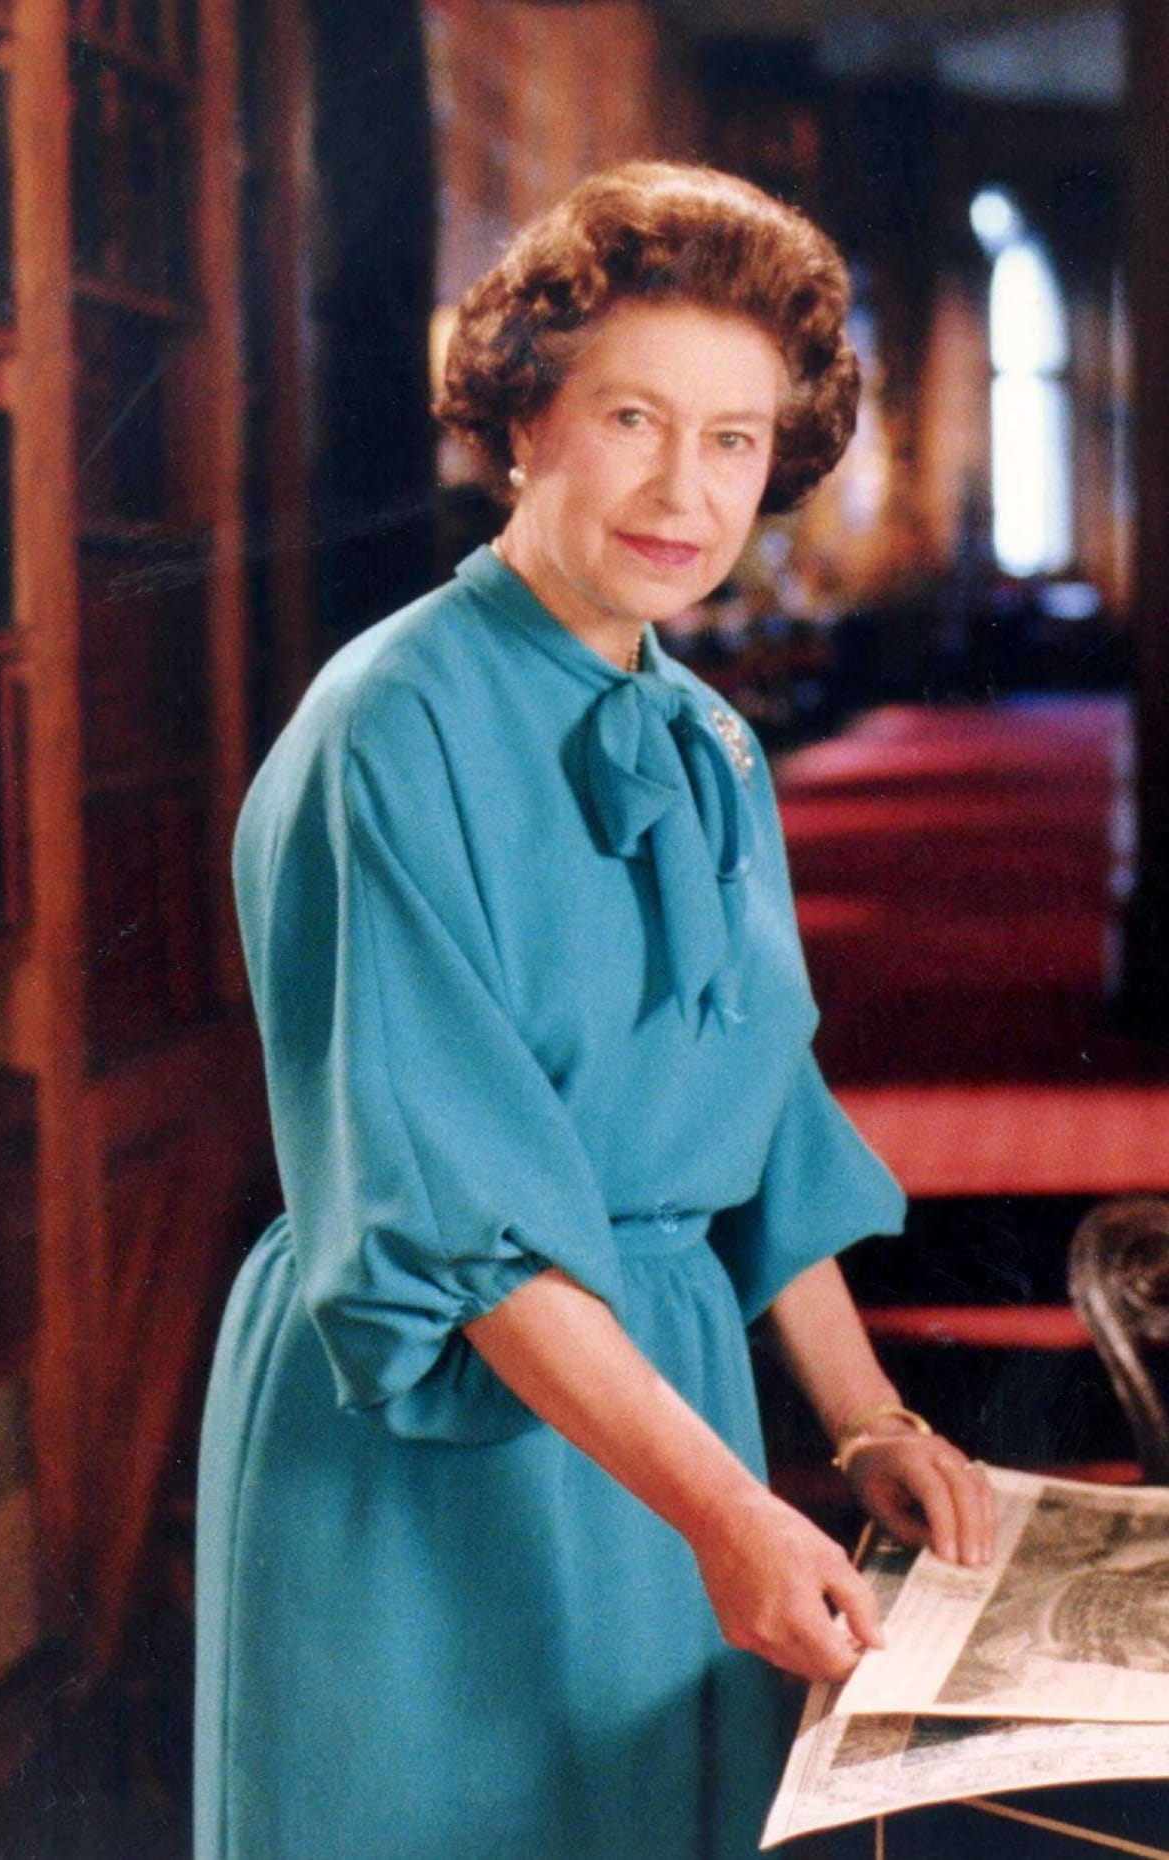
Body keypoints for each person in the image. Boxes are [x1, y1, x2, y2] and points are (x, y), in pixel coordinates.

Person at [194, 161, 994, 1860]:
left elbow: (760, 1115)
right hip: (438, 1421)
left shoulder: (709, 736)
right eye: (634, 418)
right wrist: (723, 1509)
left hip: (666, 1408)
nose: (684, 490)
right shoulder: (386, 727)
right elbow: (459, 1220)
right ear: (523, 420)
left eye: (734, 439)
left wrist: (865, 1420)